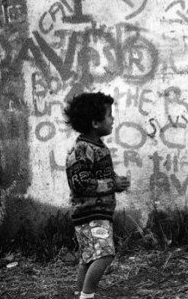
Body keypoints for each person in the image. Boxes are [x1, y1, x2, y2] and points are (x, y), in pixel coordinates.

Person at [64, 92, 131, 299]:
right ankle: (87, 295)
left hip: (97, 214)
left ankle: (80, 293)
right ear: (95, 122)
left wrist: (115, 180)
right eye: (109, 115)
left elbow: (97, 176)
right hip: (89, 215)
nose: (113, 120)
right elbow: (80, 184)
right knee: (104, 254)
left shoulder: (97, 147)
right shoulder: (81, 149)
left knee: (88, 258)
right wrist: (112, 184)